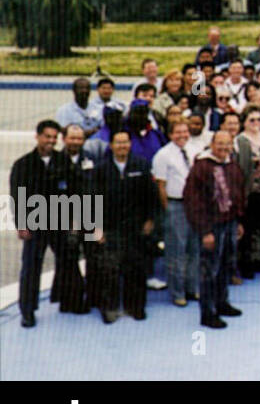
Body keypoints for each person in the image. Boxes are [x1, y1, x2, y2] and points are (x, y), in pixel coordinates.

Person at [11, 120, 89, 327]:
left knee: (69, 261)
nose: (51, 141)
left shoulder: (63, 162)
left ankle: (70, 301)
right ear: (37, 136)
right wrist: (21, 224)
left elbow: (75, 192)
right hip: (35, 223)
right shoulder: (23, 164)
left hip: (60, 221)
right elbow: (17, 197)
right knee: (31, 267)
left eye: (54, 137)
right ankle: (27, 311)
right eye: (47, 136)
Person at [87, 129, 156, 323]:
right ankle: (109, 307)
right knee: (109, 270)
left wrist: (150, 219)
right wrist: (95, 228)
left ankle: (135, 307)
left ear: (130, 144)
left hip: (135, 228)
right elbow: (92, 201)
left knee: (136, 268)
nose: (122, 146)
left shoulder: (141, 166)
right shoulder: (100, 170)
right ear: (111, 146)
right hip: (110, 228)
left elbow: (150, 196)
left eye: (125, 142)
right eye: (118, 143)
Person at [182, 130, 246, 329]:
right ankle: (207, 313)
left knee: (226, 265)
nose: (223, 148)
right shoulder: (202, 166)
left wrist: (239, 220)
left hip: (230, 222)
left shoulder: (233, 165)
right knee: (209, 269)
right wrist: (205, 231)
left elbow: (240, 193)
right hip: (211, 225)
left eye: (227, 144)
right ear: (212, 143)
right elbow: (193, 201)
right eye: (220, 144)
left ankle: (222, 302)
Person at [152, 120, 201, 307]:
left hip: (194, 205)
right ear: (171, 134)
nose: (182, 135)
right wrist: (168, 210)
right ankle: (178, 292)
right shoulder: (163, 155)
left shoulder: (195, 150)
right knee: (176, 251)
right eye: (178, 131)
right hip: (175, 204)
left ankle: (192, 287)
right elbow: (161, 186)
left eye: (185, 131)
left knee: (194, 249)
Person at [233, 106, 260, 278]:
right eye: (252, 120)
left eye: (259, 119)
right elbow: (241, 168)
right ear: (245, 122)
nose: (256, 123)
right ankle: (245, 262)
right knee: (247, 228)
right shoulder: (241, 140)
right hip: (249, 190)